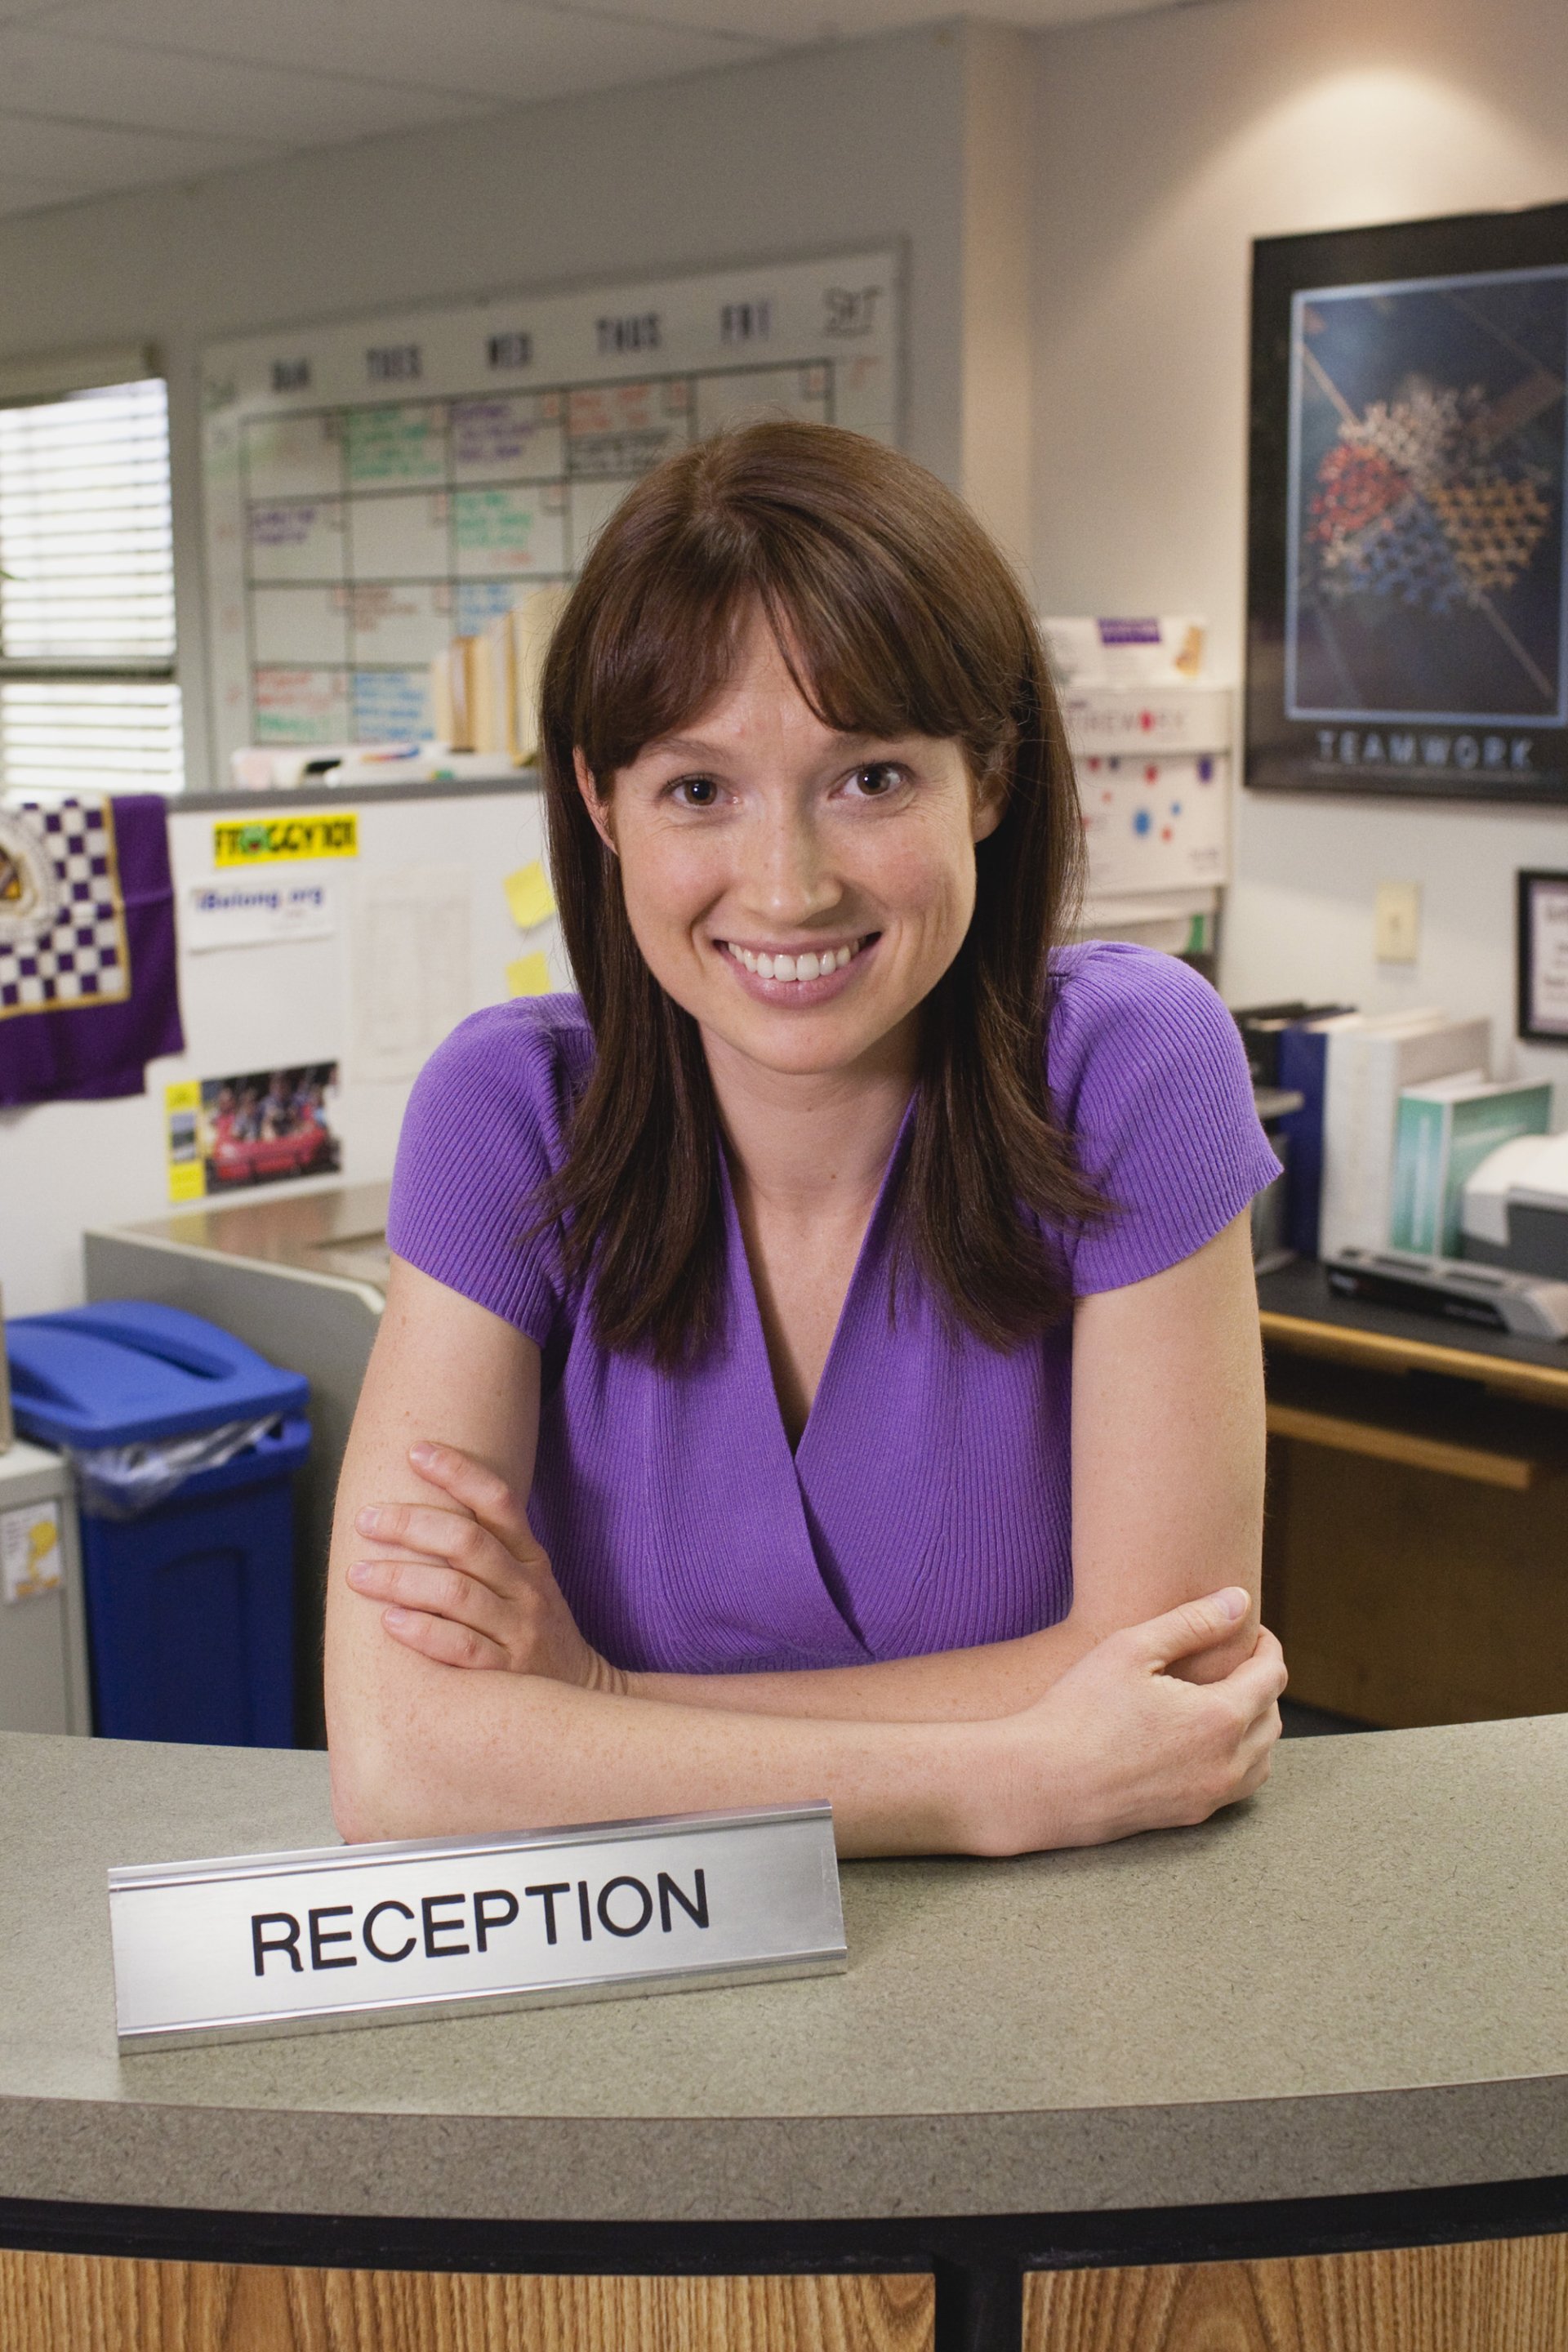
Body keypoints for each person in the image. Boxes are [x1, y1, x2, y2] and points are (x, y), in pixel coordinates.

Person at [325, 422, 1287, 1860]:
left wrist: (593, 1702)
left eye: (871, 779)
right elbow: (404, 1768)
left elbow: (1169, 1690)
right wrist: (998, 1777)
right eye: (698, 790)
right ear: (602, 805)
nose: (786, 886)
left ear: (992, 777)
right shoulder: (508, 1114)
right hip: (640, 2025)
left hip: (1065, 2009)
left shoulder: (1132, 1064)